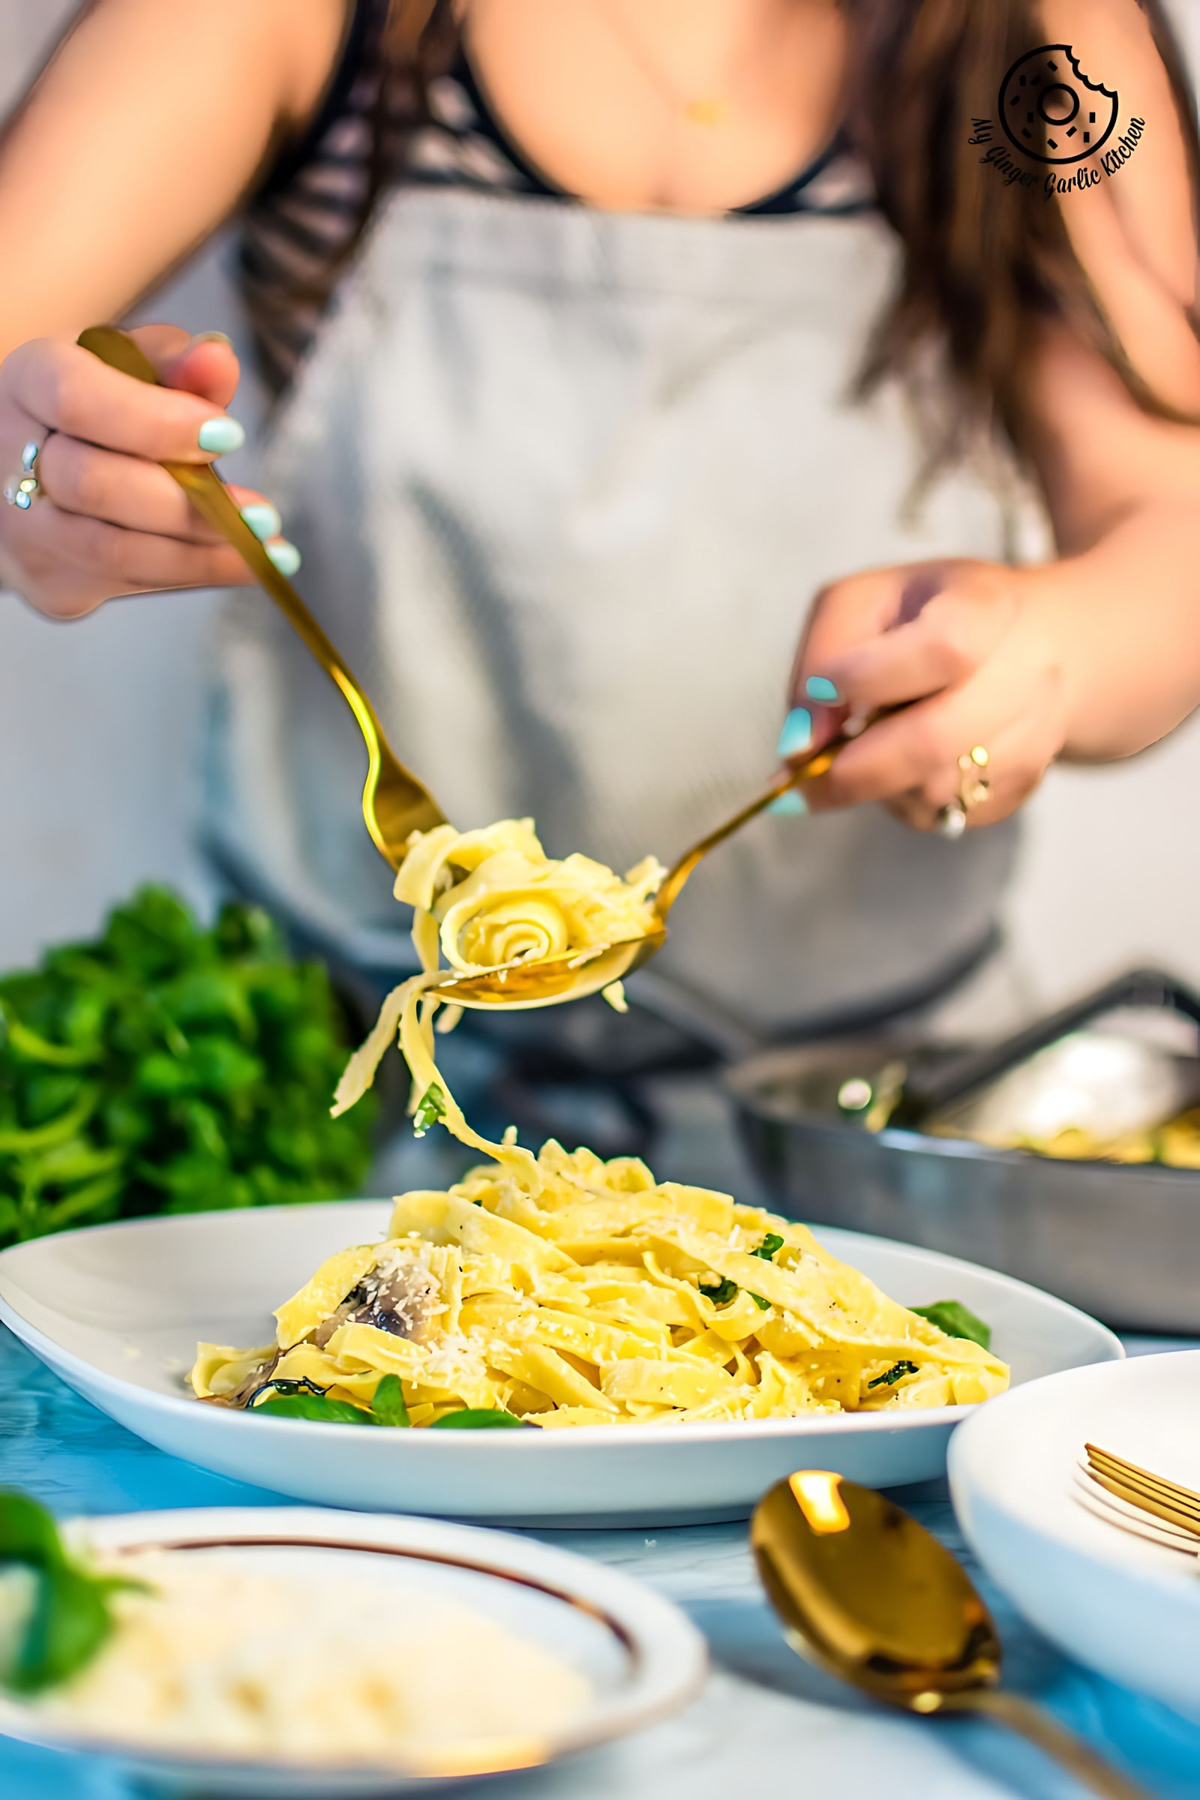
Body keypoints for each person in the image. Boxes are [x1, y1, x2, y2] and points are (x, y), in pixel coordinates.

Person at [1, 0, 1199, 1175]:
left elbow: (1173, 525)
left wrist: (1053, 653)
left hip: (866, 1129)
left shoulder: (1031, 35)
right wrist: (33, 477)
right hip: (353, 1101)